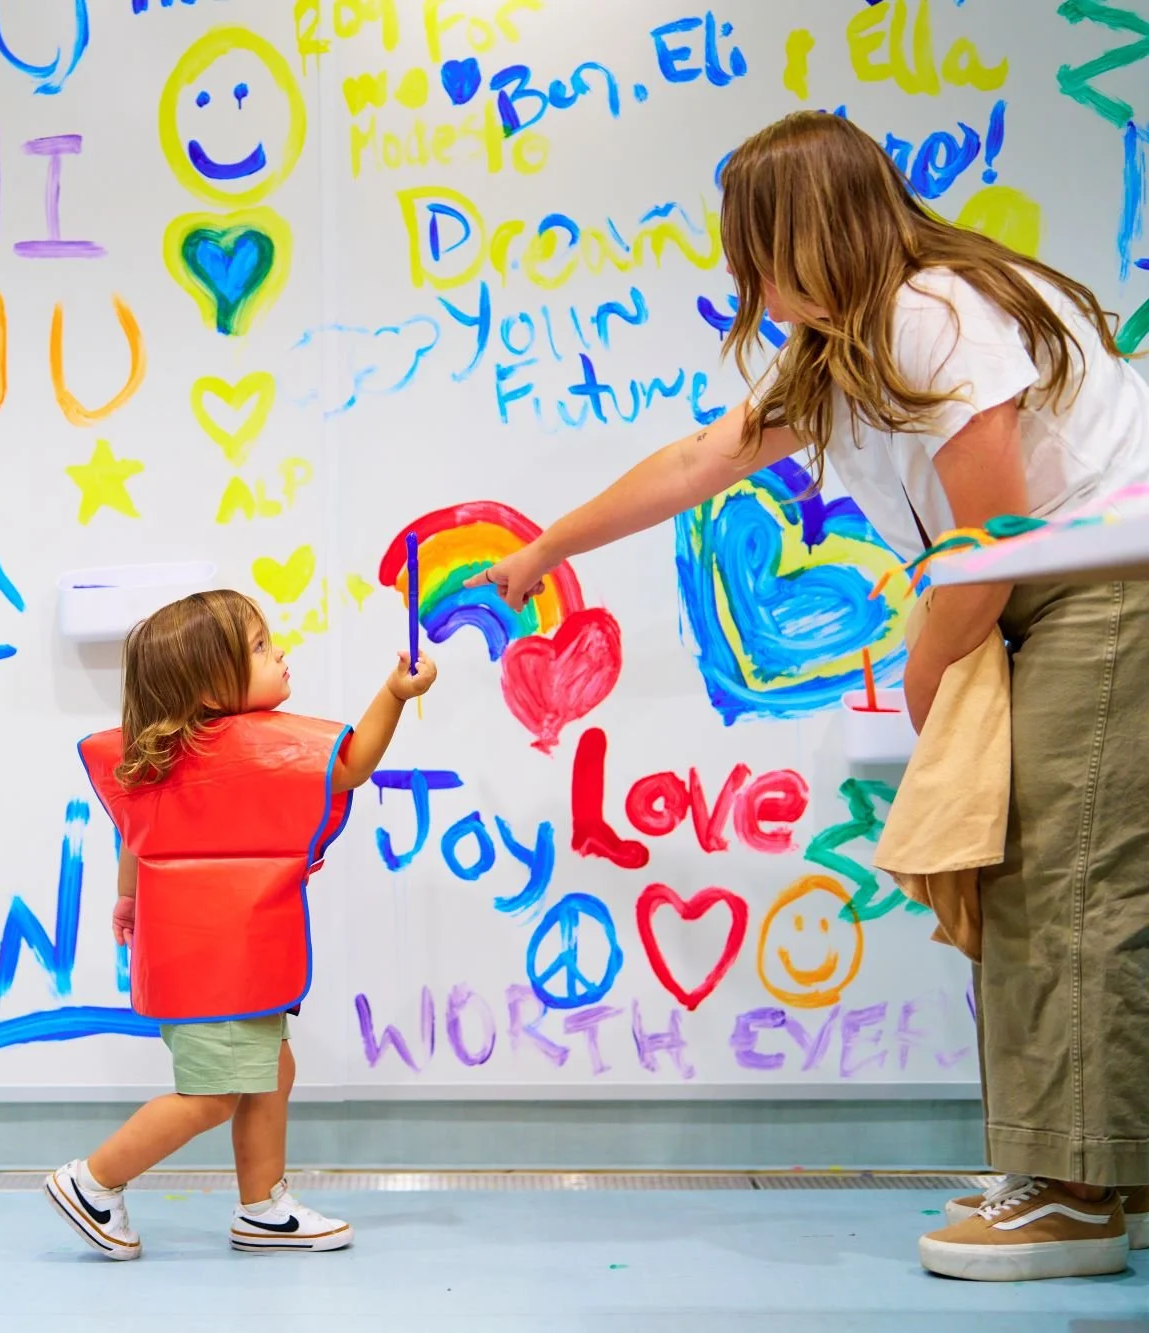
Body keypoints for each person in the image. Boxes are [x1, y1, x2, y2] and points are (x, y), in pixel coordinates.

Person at [479, 110, 1149, 1283]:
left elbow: (987, 536)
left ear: (805, 233)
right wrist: (543, 549)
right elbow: (700, 462)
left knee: (1061, 873)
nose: (750, 282)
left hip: (1096, 585)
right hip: (1040, 588)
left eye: (756, 253)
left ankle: (1075, 1192)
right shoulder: (848, 350)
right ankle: (1082, 1164)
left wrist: (926, 671)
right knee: (1030, 870)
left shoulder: (928, 312)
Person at [45, 589, 437, 1260]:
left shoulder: (164, 755)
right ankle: (93, 1182)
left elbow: (137, 834)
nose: (278, 650)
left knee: (271, 1069)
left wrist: (126, 898)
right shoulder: (253, 748)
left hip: (214, 962)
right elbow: (352, 766)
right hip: (216, 967)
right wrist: (396, 694)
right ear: (205, 685)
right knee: (212, 1095)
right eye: (258, 646)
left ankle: (262, 1207)